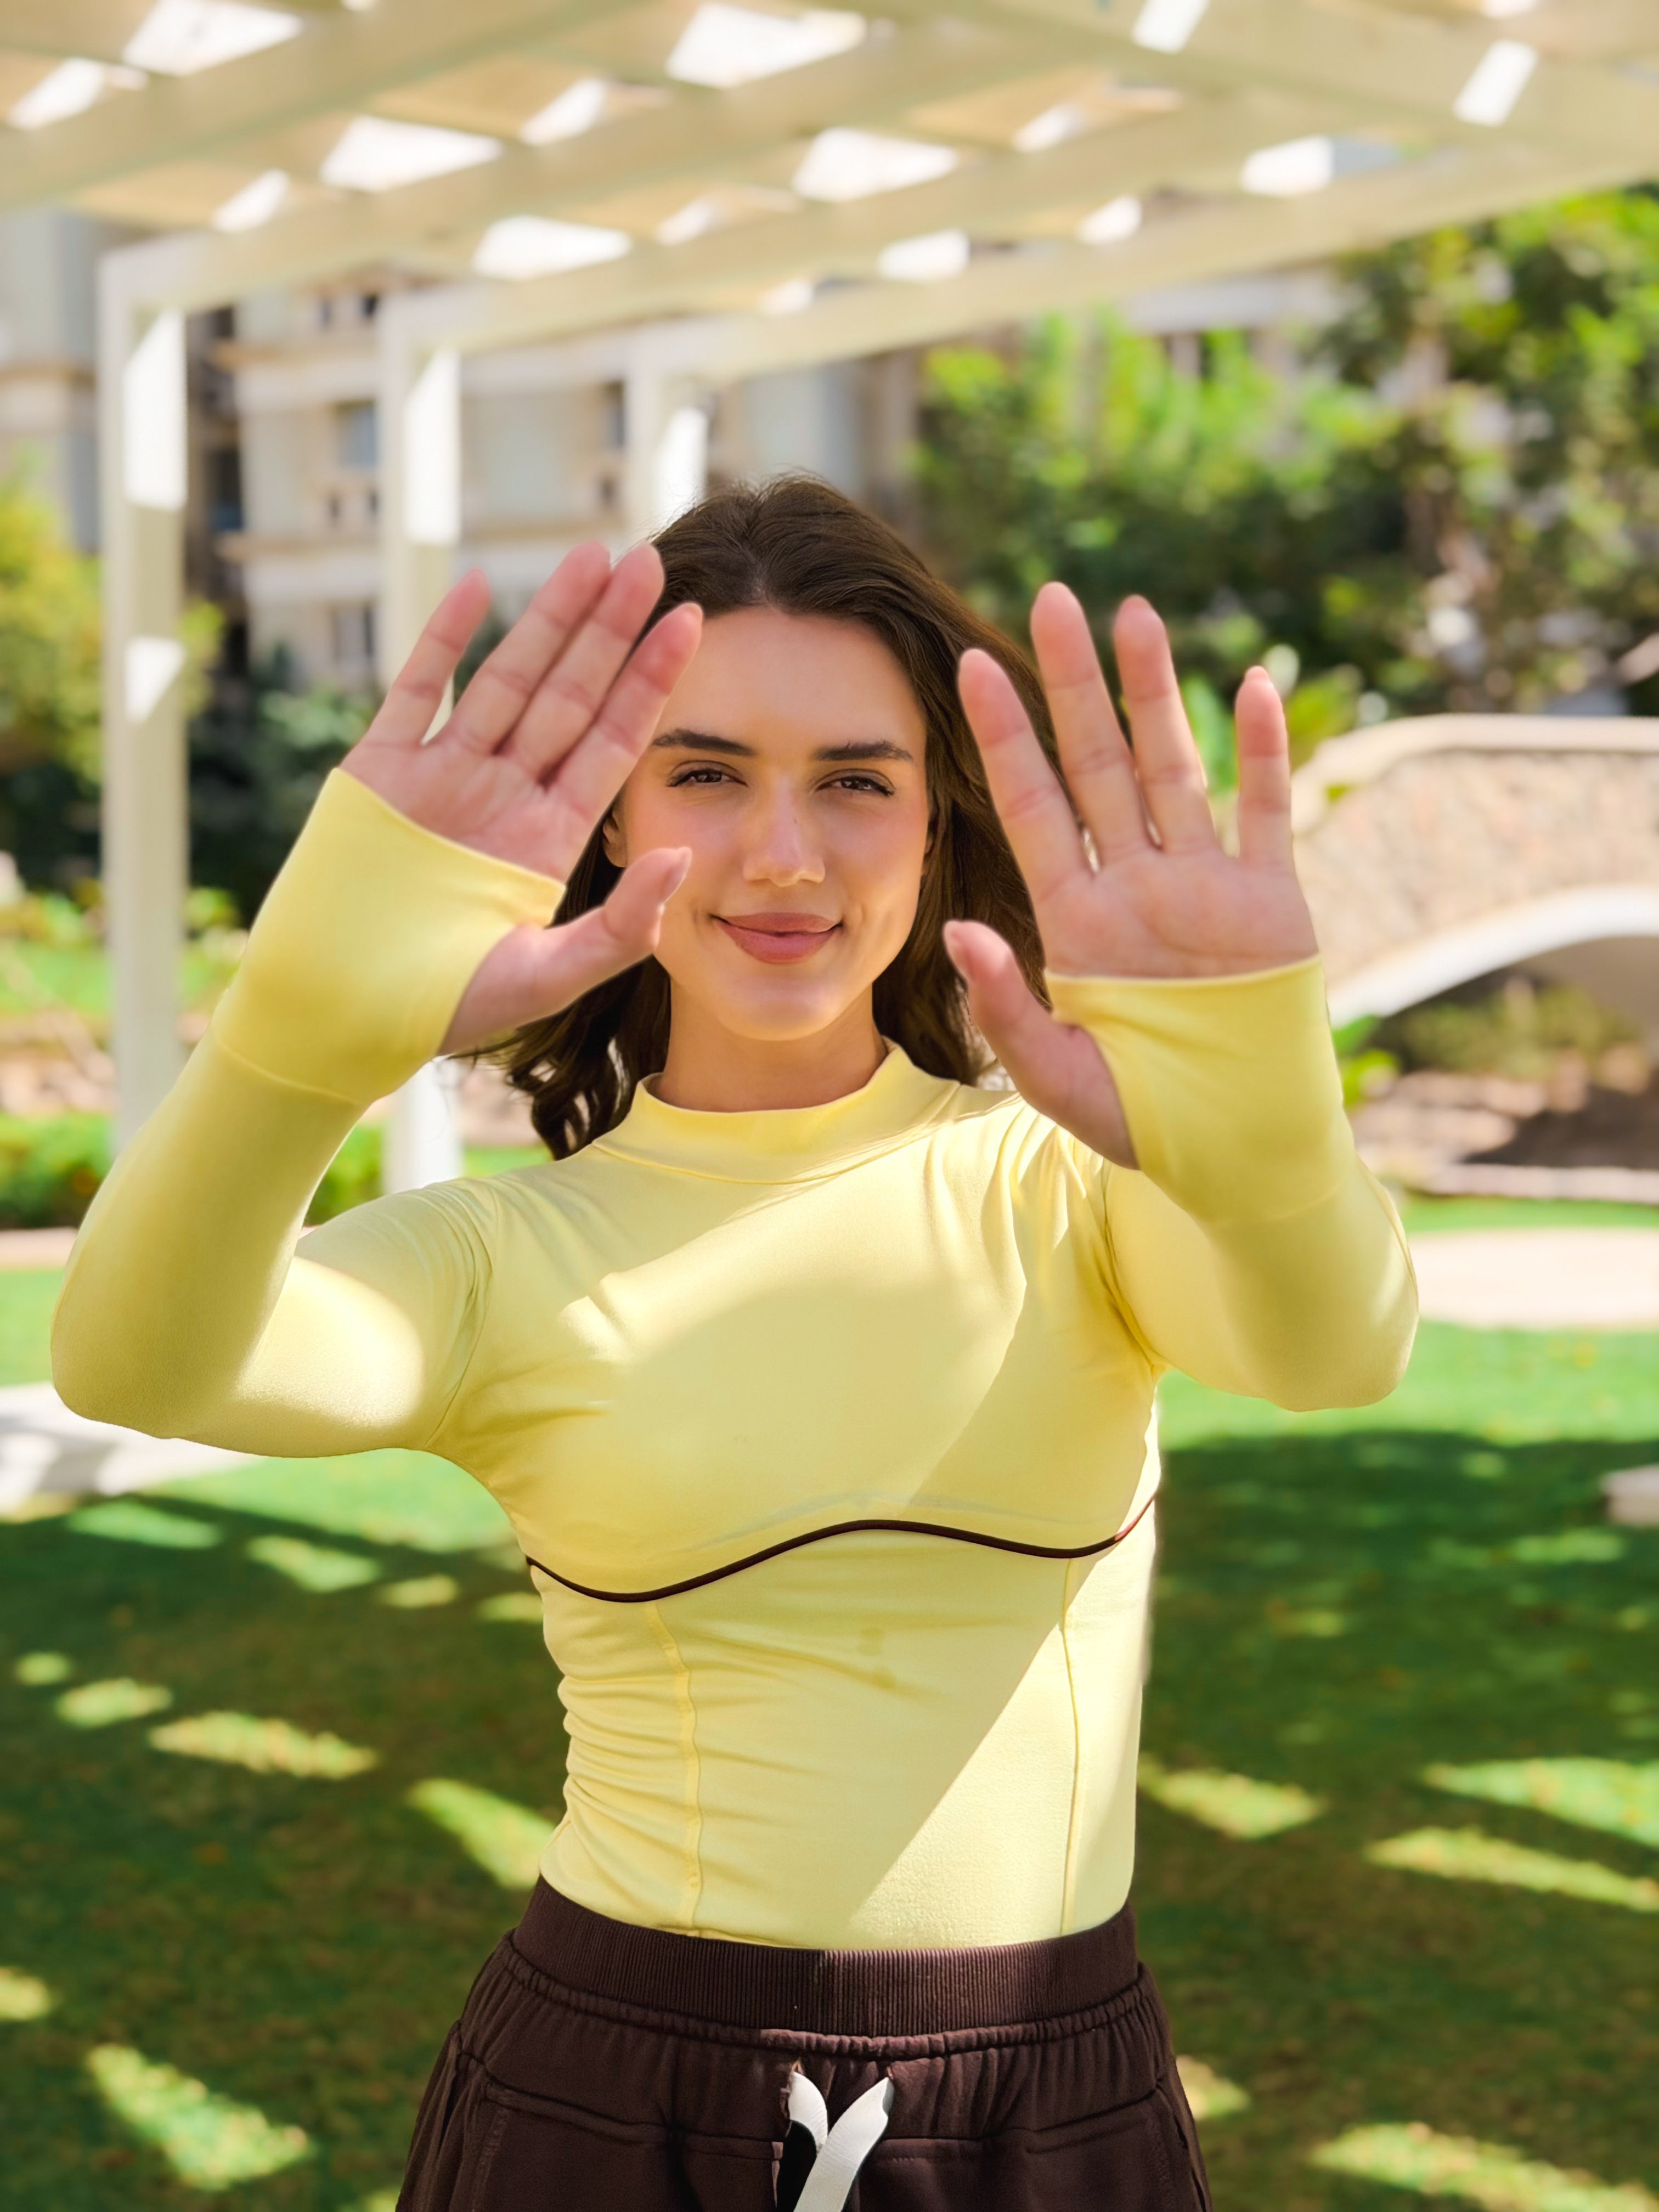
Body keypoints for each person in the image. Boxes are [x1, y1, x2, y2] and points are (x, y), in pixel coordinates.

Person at [54, 477, 1417, 2210]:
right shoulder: (510, 1257)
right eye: (707, 772)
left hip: (1048, 2116)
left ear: (937, 826)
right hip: (614, 2109)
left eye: (857, 783)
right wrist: (295, 1042)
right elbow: (136, 1359)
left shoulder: (1067, 1189)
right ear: (617, 818)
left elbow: (1336, 1351)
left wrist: (1268, 1135)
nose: (786, 855)